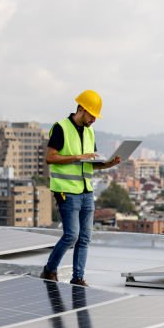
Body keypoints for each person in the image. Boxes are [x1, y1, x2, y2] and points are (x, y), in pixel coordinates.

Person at [41, 89, 120, 286]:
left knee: (85, 238)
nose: (94, 119)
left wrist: (107, 164)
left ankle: (78, 278)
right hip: (66, 190)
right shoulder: (60, 128)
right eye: (92, 114)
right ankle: (49, 270)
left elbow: (89, 162)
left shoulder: (90, 131)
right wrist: (78, 157)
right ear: (81, 109)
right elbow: (50, 158)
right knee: (71, 236)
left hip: (86, 191)